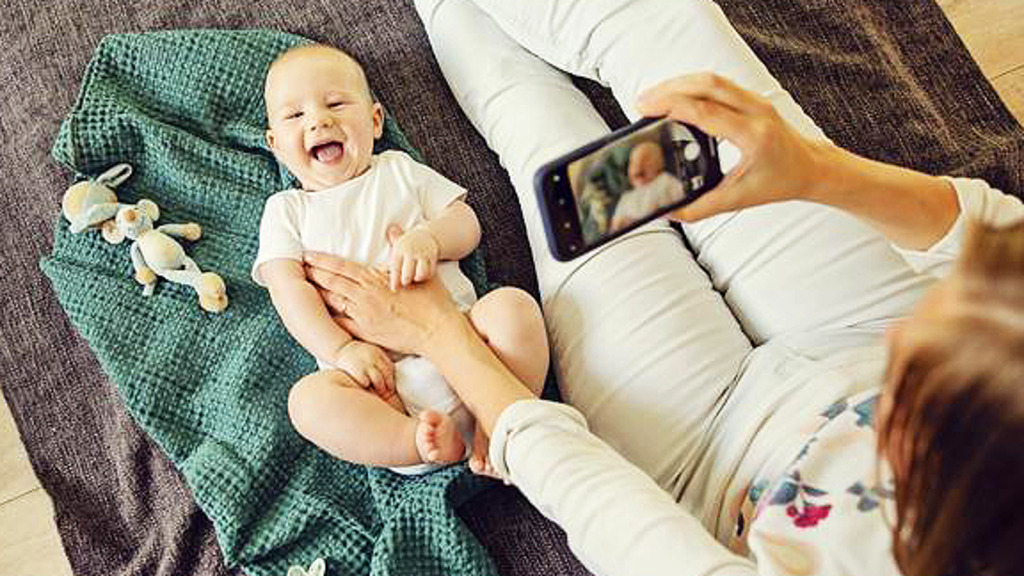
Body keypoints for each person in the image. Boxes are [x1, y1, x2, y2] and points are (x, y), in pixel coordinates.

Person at [303, 2, 1024, 576]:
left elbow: (592, 498)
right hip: (866, 323)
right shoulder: (948, 370)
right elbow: (1001, 250)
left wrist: (438, 334)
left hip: (704, 455)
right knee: (676, 36)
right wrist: (811, 170)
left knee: (541, 132)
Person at [252, 43, 549, 474]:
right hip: (380, 385)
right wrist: (343, 349)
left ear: (375, 121)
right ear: (276, 145)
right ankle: (415, 443)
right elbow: (288, 291)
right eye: (295, 115)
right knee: (308, 402)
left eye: (335, 103)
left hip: (471, 342)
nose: (319, 119)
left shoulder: (398, 170)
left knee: (513, 308)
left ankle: (497, 424)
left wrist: (429, 239)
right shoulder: (286, 210)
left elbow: (465, 223)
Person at [610, 140, 687, 231]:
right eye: (632, 162)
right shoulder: (626, 197)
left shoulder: (665, 180)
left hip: (658, 228)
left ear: (660, 164)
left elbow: (683, 199)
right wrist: (620, 224)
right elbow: (614, 226)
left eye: (646, 159)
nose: (638, 164)